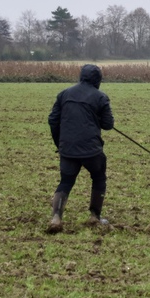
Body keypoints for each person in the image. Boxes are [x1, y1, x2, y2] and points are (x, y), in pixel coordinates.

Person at [47, 64, 114, 233]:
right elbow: (108, 124)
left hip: (68, 148)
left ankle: (56, 218)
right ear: (98, 80)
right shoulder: (101, 97)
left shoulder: (64, 94)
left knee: (66, 181)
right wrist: (96, 117)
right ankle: (94, 216)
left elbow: (53, 120)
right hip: (92, 149)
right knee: (99, 178)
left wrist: (60, 144)